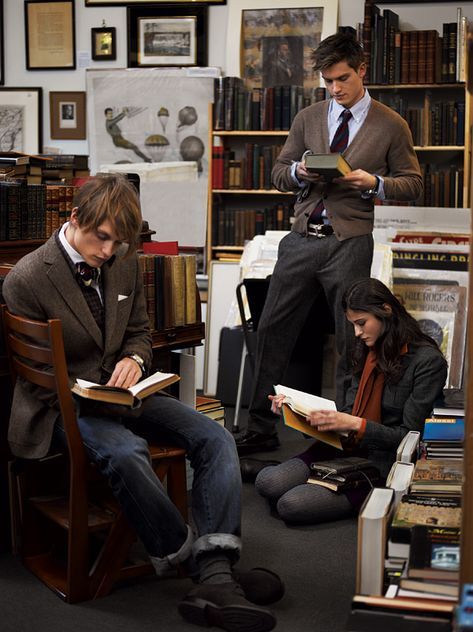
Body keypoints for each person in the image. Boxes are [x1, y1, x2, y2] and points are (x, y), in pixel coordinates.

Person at [3, 175, 283, 632]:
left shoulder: (124, 260)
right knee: (127, 453)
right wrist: (94, 392)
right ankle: (206, 569)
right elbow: (37, 384)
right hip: (61, 409)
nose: (110, 250)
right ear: (75, 218)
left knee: (215, 437)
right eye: (102, 237)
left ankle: (215, 568)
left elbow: (138, 330)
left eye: (119, 241)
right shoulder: (28, 278)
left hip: (123, 395)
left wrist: (135, 358)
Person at [235, 32, 423, 455]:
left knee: (351, 338)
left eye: (342, 79)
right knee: (271, 330)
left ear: (361, 70)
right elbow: (279, 174)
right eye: (327, 81)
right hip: (301, 239)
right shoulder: (308, 117)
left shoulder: (392, 125)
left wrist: (372, 183)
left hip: (350, 243)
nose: (335, 89)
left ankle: (341, 433)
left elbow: (413, 183)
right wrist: (300, 173)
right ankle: (260, 425)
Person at [254, 277, 447, 525]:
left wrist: (356, 424)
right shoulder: (365, 347)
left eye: (361, 323)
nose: (357, 332)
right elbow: (346, 411)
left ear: (386, 311)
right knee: (268, 482)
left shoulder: (427, 361)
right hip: (344, 445)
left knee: (291, 505)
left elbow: (408, 438)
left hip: (380, 461)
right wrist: (297, 410)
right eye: (353, 324)